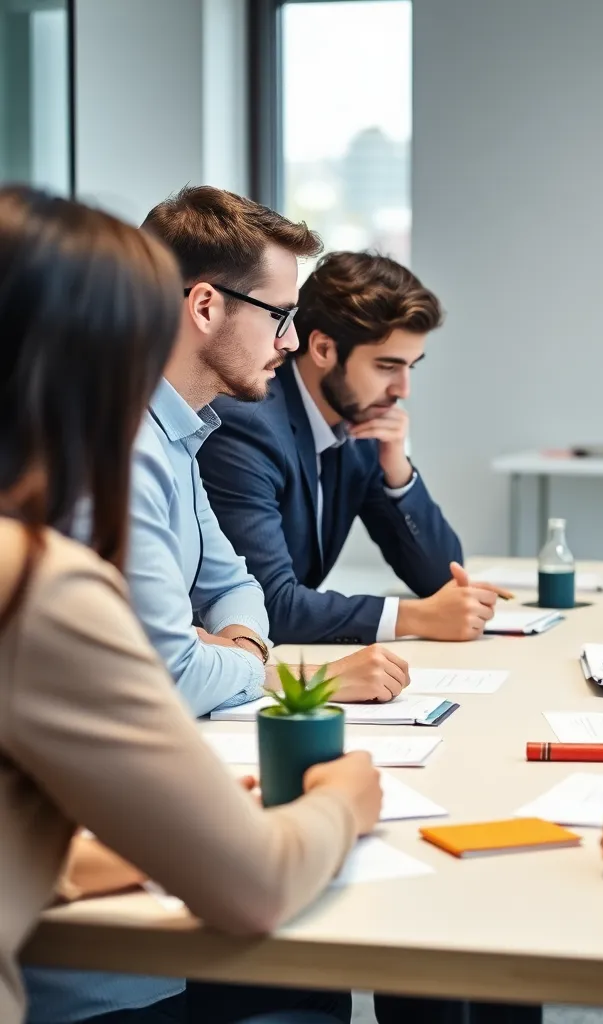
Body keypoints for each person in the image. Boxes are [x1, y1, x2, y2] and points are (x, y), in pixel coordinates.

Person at [0, 186, 382, 1024]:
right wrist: (344, 800)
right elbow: (254, 883)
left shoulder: (167, 444)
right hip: (88, 988)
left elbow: (241, 589)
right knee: (307, 991)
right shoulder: (37, 577)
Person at [123, 188, 410, 716]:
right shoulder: (126, 448)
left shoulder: (180, 434)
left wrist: (239, 646)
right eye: (279, 314)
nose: (292, 341)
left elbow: (235, 585)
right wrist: (267, 670)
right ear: (205, 306)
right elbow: (176, 676)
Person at [198, 250, 505, 645]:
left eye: (411, 367)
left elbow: (442, 579)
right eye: (386, 366)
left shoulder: (359, 426)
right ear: (324, 349)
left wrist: (398, 471)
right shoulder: (247, 423)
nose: (402, 390)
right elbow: (266, 604)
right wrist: (412, 618)